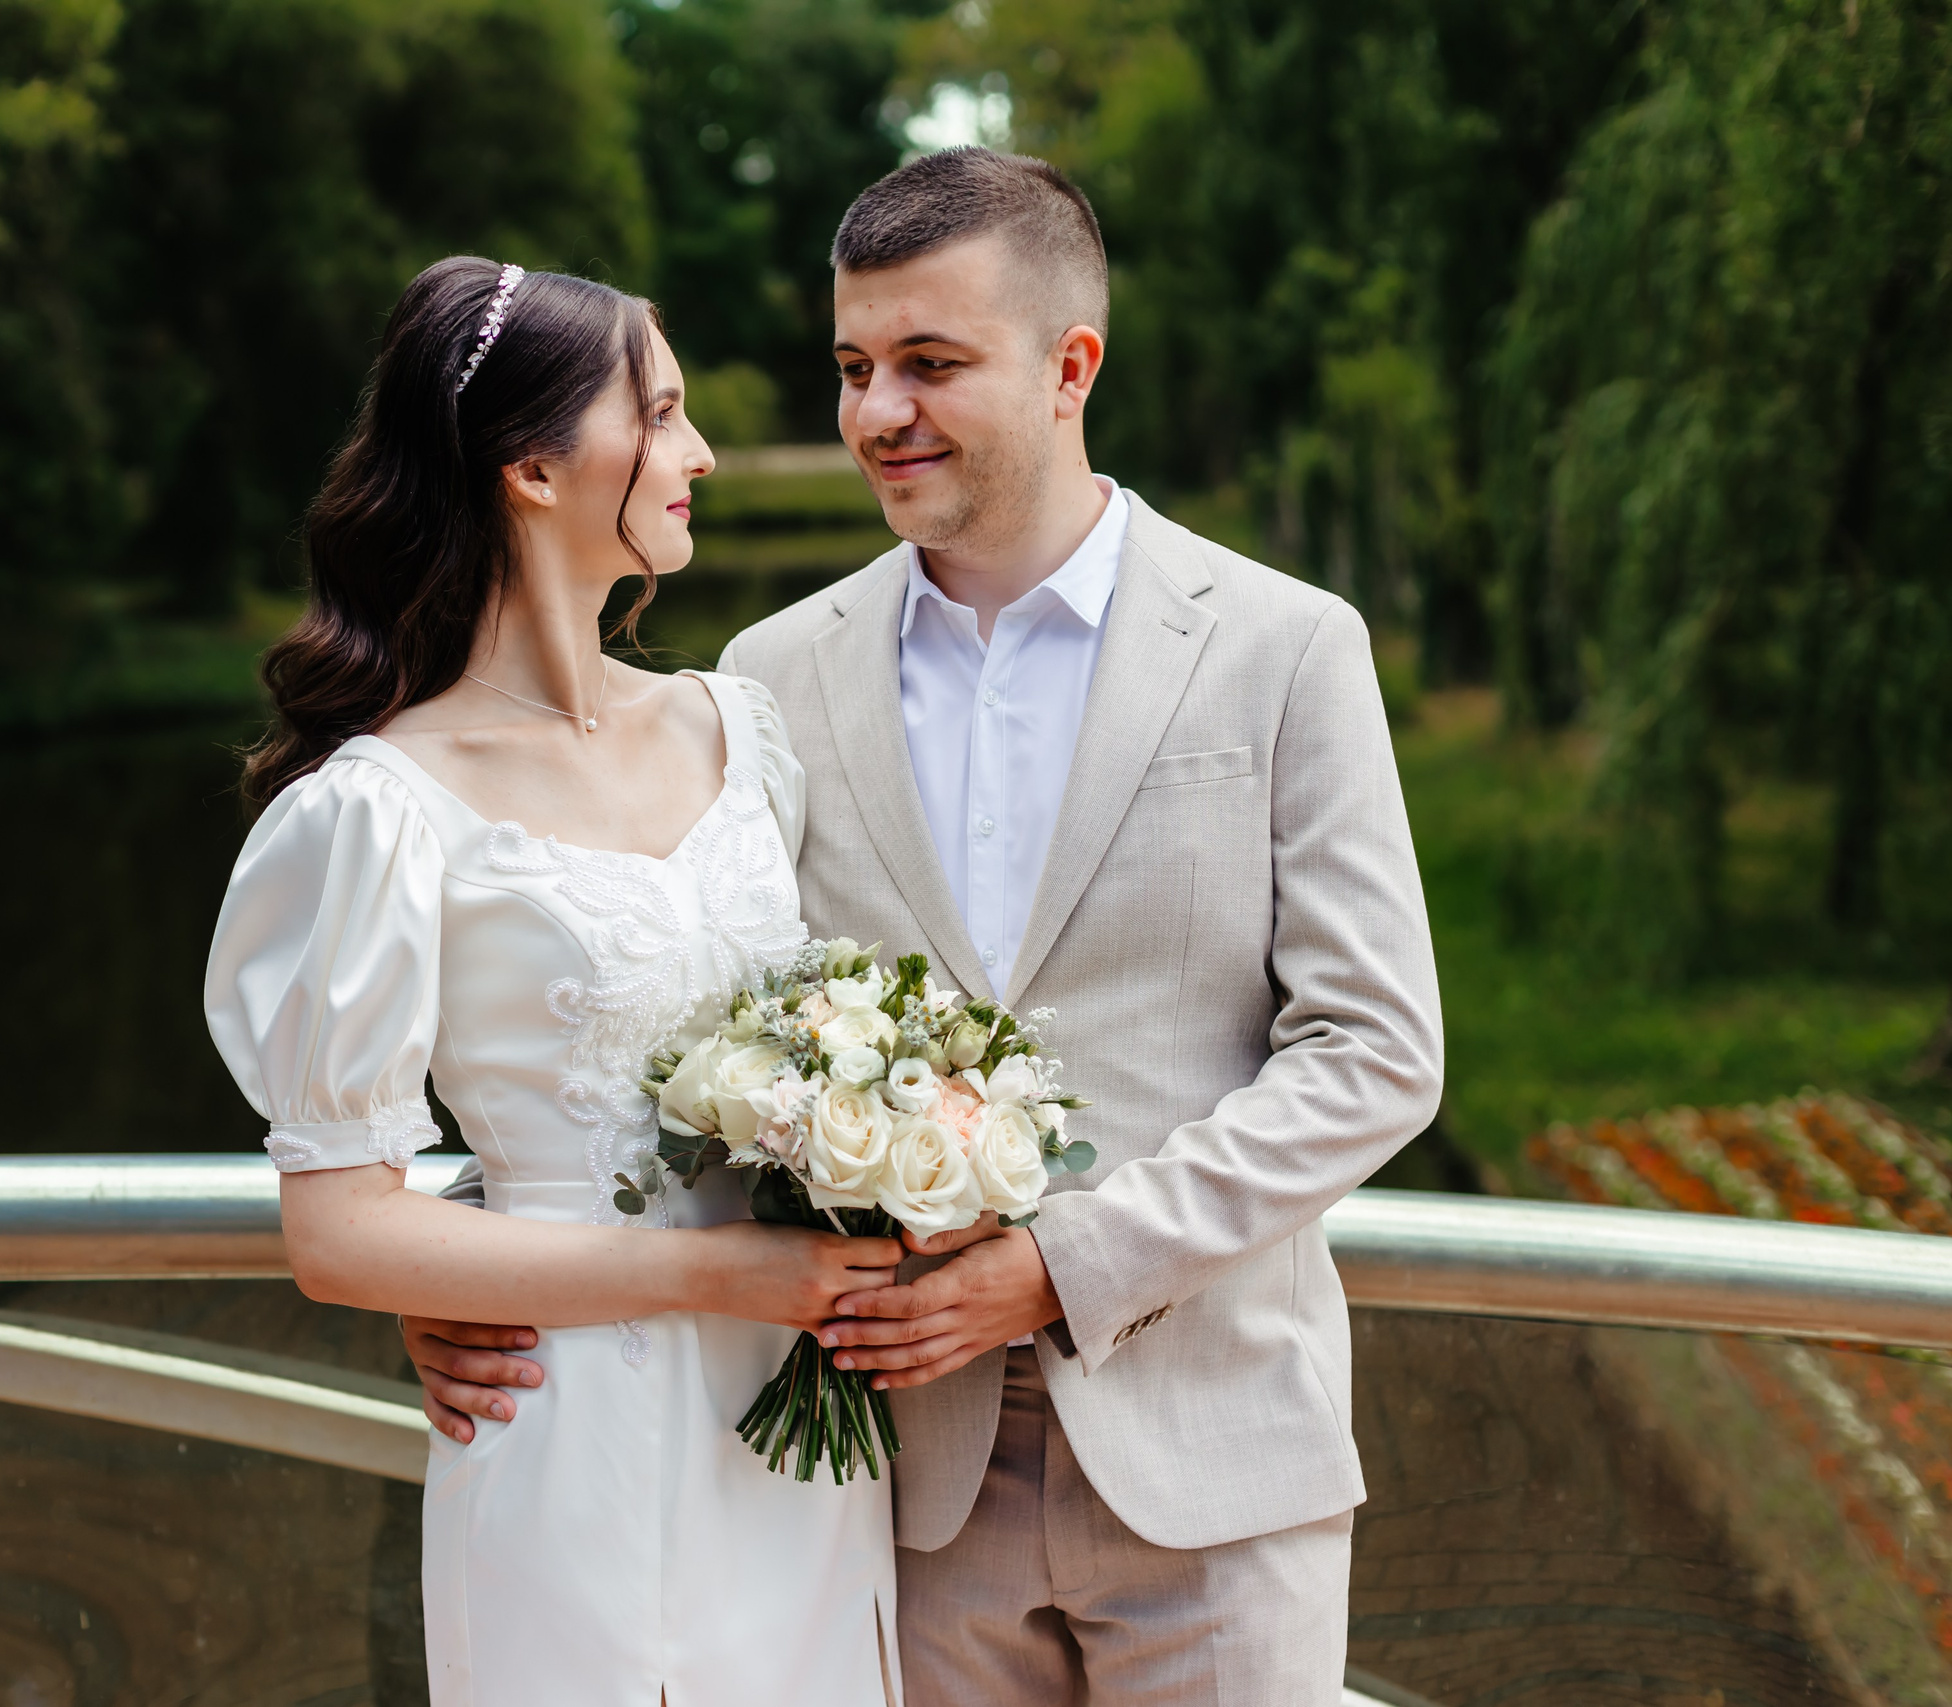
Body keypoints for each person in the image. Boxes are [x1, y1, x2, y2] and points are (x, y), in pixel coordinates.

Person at [404, 148, 1445, 1703]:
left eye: (931, 365)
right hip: (882, 1487)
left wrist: (1062, 1265)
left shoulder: (1285, 647)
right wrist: (466, 1263)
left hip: (1219, 1468)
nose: (878, 411)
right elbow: (647, 1004)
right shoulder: (767, 679)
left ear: (1070, 365)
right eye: (855, 366)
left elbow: (1374, 1055)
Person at [201, 257, 905, 1707]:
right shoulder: (382, 807)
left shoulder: (742, 730)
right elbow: (340, 1232)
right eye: (661, 414)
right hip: (569, 1425)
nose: (700, 453)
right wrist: (721, 1273)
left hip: (797, 1435)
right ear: (533, 464)